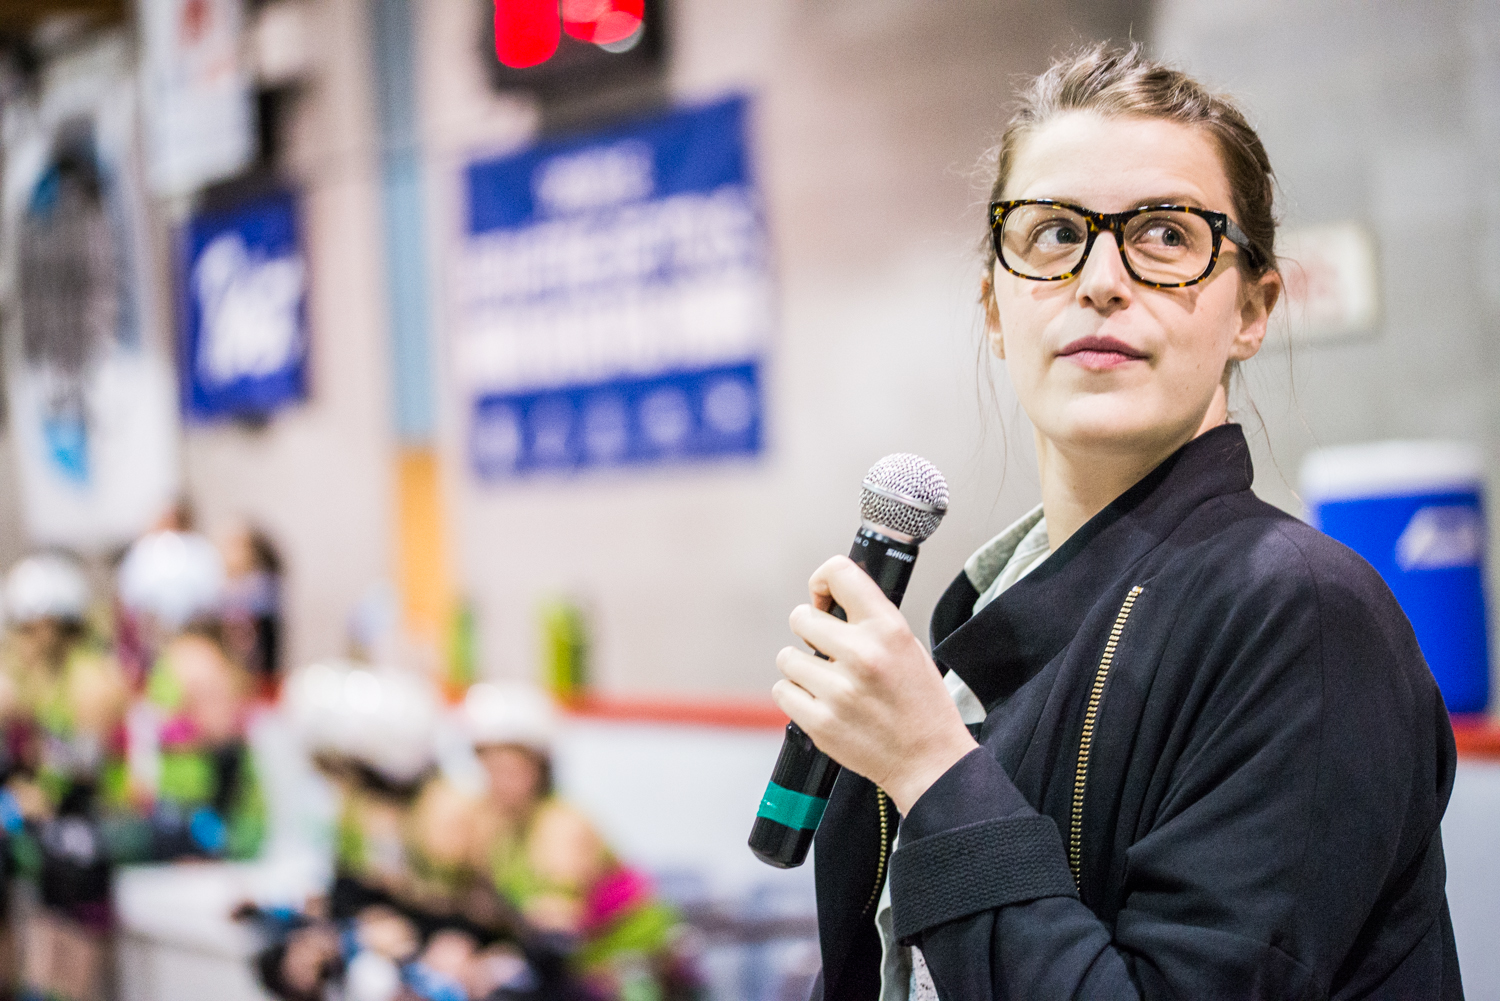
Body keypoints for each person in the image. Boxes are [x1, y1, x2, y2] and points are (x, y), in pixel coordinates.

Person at [773, 44, 1461, 1001]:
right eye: (1054, 232)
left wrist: (931, 766)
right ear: (996, 308)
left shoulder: (1302, 615)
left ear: (1253, 309)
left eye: (1167, 236)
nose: (1100, 277)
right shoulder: (985, 632)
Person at [462, 682, 698, 1001]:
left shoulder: (560, 822)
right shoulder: (504, 827)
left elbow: (560, 920)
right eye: (490, 769)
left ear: (539, 769)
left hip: (640, 968)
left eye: (510, 770)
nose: (497, 782)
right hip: (585, 970)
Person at [0, 553, 129, 1001]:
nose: (17, 642)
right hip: (69, 818)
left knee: (69, 852)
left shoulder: (90, 680)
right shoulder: (48, 677)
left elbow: (77, 774)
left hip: (101, 820)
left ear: (50, 626)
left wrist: (32, 794)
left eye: (23, 629)